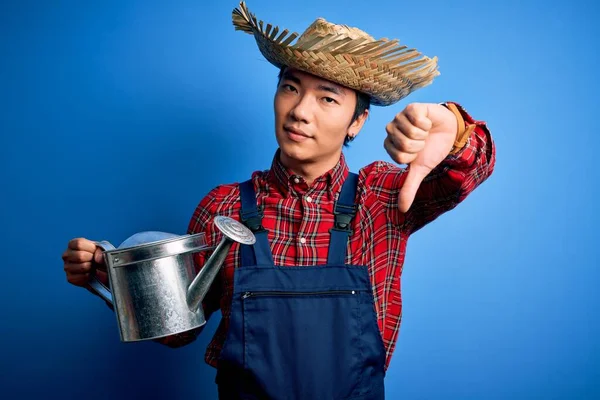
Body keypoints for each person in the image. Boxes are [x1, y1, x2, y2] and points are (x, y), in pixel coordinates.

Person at [62, 2, 496, 398]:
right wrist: (113, 278)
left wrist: (453, 126)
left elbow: (467, 171)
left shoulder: (382, 199)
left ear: (358, 122)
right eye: (291, 87)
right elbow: (178, 329)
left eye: (328, 97)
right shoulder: (223, 209)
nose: (300, 110)